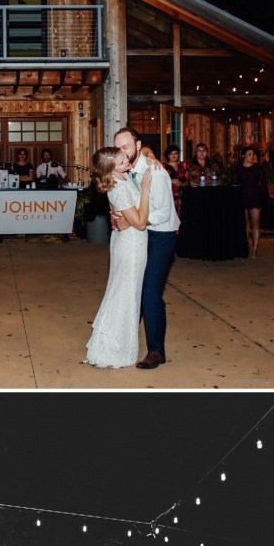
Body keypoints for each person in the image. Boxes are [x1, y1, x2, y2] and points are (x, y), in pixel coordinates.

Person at [113, 127, 179, 370]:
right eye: (118, 147)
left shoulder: (156, 172)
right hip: (137, 236)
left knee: (150, 292)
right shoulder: (123, 168)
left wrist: (134, 220)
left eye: (126, 146)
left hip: (161, 235)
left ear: (138, 145)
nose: (122, 151)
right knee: (137, 289)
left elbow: (163, 212)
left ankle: (156, 351)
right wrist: (118, 215)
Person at [84, 146, 151, 368]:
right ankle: (115, 348)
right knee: (126, 294)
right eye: (122, 161)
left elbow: (144, 152)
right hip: (131, 245)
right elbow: (140, 223)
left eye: (125, 157)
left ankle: (119, 342)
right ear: (111, 170)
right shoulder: (119, 188)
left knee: (125, 292)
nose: (127, 161)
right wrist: (146, 189)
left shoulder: (120, 178)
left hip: (128, 242)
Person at [231, 147, 268, 259]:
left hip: (255, 197)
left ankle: (255, 250)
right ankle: (245, 247)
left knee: (255, 223)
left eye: (253, 154)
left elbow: (263, 183)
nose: (252, 156)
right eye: (249, 154)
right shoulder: (238, 168)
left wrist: (263, 197)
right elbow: (234, 183)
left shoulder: (258, 168)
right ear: (243, 156)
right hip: (242, 197)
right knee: (244, 225)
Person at [162, 145, 188, 219]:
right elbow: (159, 182)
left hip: (184, 196)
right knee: (172, 218)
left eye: (175, 153)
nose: (173, 155)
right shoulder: (163, 166)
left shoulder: (183, 165)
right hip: (169, 197)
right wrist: (171, 181)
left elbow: (188, 181)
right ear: (167, 155)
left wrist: (182, 183)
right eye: (171, 153)